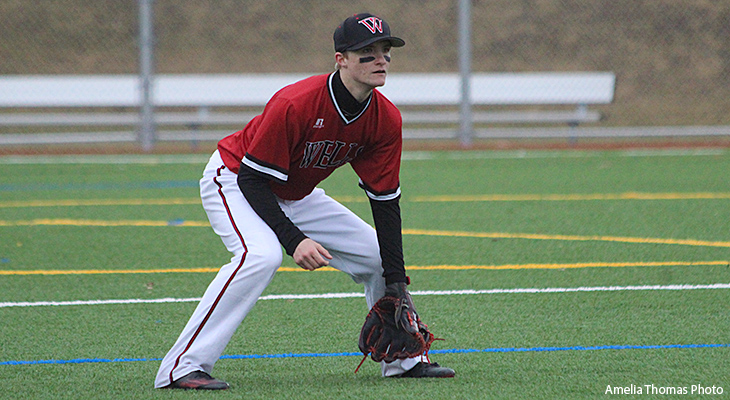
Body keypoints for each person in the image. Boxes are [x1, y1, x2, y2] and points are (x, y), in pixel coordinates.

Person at [154, 12, 455, 390]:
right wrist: (293, 240)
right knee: (260, 255)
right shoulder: (295, 103)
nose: (380, 60)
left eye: (385, 51)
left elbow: (385, 201)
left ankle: (404, 360)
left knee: (379, 258)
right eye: (367, 52)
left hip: (295, 192)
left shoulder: (385, 119)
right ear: (340, 59)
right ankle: (182, 366)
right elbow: (252, 178)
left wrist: (395, 281)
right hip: (234, 178)